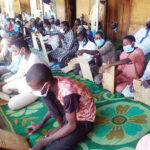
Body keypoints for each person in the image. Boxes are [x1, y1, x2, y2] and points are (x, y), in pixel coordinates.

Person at [26, 63, 96, 150]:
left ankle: (63, 127)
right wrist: (41, 123)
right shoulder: (53, 82)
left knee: (57, 147)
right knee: (45, 95)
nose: (35, 91)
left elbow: (71, 125)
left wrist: (44, 142)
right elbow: (54, 107)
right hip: (71, 109)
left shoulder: (68, 93)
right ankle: (61, 125)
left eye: (35, 89)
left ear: (47, 85)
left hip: (83, 118)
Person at [0, 38, 48, 110]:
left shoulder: (34, 60)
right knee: (4, 89)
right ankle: (18, 91)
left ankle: (20, 92)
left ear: (22, 49)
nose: (14, 53)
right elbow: (20, 73)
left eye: (15, 51)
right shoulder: (24, 57)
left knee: (12, 105)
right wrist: (4, 82)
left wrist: (19, 89)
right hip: (28, 81)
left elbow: (34, 83)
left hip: (39, 87)